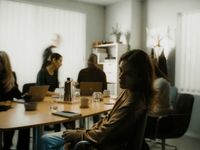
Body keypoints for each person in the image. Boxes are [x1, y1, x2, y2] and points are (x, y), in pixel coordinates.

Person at [41, 49, 155, 150]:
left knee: (46, 139)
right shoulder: (128, 92)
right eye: (121, 70)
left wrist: (80, 134)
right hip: (97, 135)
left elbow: (105, 134)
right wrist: (87, 131)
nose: (120, 76)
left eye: (128, 74)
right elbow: (108, 122)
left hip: (104, 143)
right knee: (51, 139)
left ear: (140, 76)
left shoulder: (132, 104)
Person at [0, 51, 30, 150]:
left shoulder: (11, 75)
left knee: (25, 123)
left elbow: (17, 94)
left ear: (5, 63)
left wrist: (26, 95)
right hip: (2, 110)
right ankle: (7, 146)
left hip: (8, 110)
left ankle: (21, 147)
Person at [76, 53, 107, 123]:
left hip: (96, 99)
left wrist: (100, 96)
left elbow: (104, 89)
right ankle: (82, 128)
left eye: (92, 62)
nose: (90, 63)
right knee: (81, 110)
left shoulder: (101, 73)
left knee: (96, 112)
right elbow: (78, 86)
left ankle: (95, 129)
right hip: (83, 98)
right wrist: (76, 85)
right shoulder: (82, 72)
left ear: (96, 62)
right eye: (89, 61)